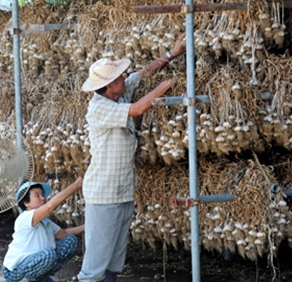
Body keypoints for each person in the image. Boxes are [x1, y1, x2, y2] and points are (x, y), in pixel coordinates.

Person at [78, 33, 186, 282]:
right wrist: (167, 85)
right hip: (103, 194)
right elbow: (138, 109)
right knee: (96, 259)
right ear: (107, 86)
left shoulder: (119, 93)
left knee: (115, 256)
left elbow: (143, 73)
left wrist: (172, 54)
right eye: (119, 78)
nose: (125, 78)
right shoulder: (99, 107)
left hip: (123, 190)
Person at [2, 176, 84, 282]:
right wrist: (75, 186)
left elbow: (64, 233)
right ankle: (27, 280)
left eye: (42, 195)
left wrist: (89, 226)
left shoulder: (44, 222)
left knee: (71, 241)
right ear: (26, 203)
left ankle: (41, 276)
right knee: (48, 254)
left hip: (36, 262)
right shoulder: (25, 217)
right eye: (37, 196)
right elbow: (50, 206)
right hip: (14, 271)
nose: (43, 198)